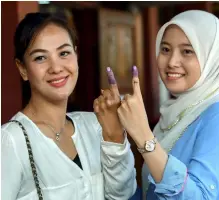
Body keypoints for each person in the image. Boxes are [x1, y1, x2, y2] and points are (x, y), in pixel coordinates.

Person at [1, 12, 137, 200]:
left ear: (76, 55)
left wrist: (114, 135)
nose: (56, 67)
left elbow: (121, 195)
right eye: (40, 58)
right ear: (23, 69)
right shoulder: (11, 141)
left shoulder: (93, 125)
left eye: (64, 53)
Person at [111, 10, 219, 199]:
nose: (171, 62)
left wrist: (145, 137)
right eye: (165, 49)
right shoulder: (174, 114)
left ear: (212, 58)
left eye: (187, 51)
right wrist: (113, 135)